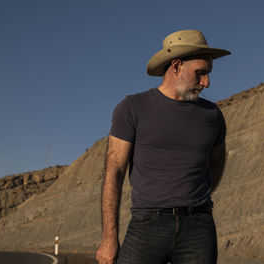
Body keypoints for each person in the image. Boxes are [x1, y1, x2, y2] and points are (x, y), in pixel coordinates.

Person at [97, 29, 231, 264]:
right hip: (146, 226)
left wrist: (197, 196)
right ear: (176, 66)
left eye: (208, 74)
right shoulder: (132, 108)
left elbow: (217, 163)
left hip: (198, 229)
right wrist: (109, 238)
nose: (206, 83)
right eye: (200, 74)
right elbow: (114, 171)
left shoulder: (213, 115)